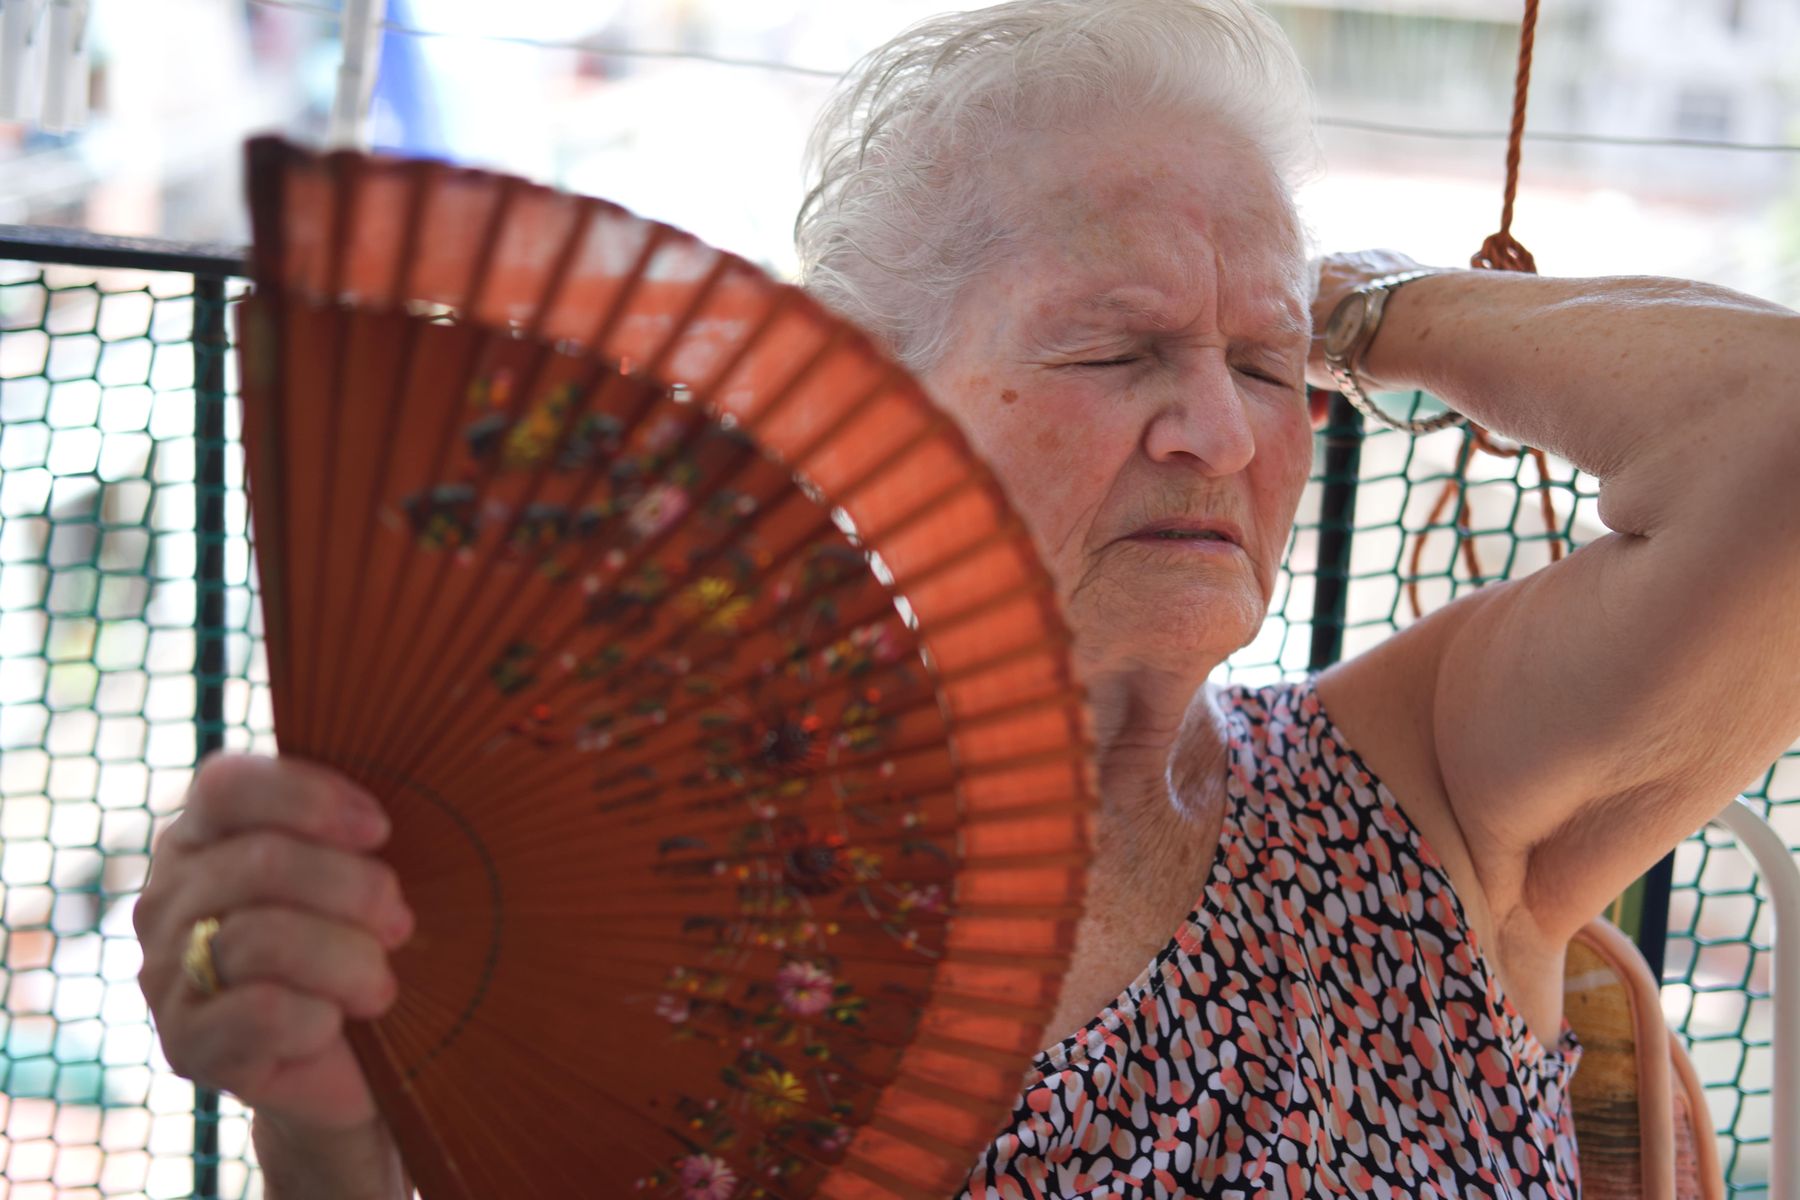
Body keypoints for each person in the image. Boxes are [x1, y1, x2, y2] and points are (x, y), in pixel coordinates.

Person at [133, 1, 1800, 1196]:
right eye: (1115, 346)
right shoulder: (649, 899)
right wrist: (325, 1124)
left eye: (1266, 365)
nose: (1219, 431)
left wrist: (1370, 309)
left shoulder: (1421, 791)